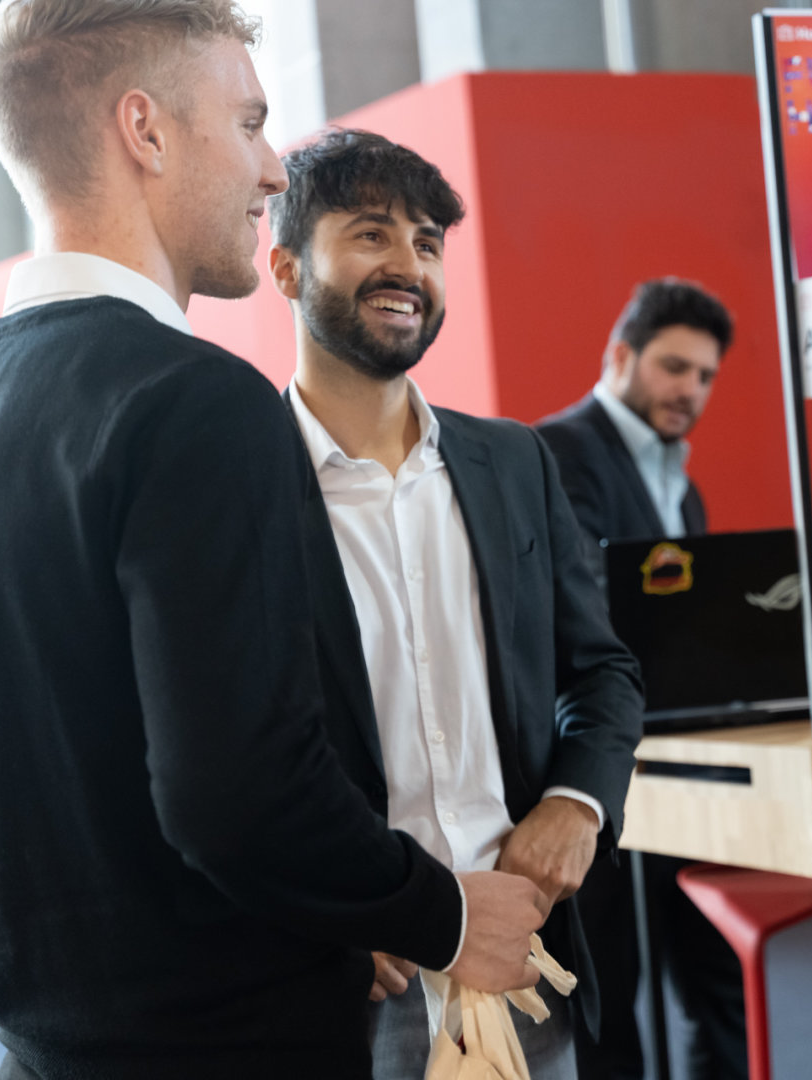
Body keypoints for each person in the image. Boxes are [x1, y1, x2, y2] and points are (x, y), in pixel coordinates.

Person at [0, 4, 546, 1078]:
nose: (271, 169)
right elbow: (239, 795)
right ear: (145, 130)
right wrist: (440, 913)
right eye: (250, 122)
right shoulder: (198, 399)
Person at [266, 128, 644, 1080]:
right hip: (350, 979)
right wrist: (327, 909)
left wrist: (577, 803)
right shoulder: (240, 481)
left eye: (428, 243)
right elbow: (219, 755)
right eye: (370, 234)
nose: (408, 266)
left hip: (524, 953)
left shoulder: (512, 462)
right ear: (285, 268)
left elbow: (601, 671)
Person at [537, 280, 749, 1080]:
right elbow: (585, 620)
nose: (690, 389)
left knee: (718, 985)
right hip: (595, 774)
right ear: (620, 356)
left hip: (678, 774)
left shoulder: (682, 488)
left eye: (705, 376)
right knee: (609, 1010)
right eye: (673, 366)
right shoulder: (560, 453)